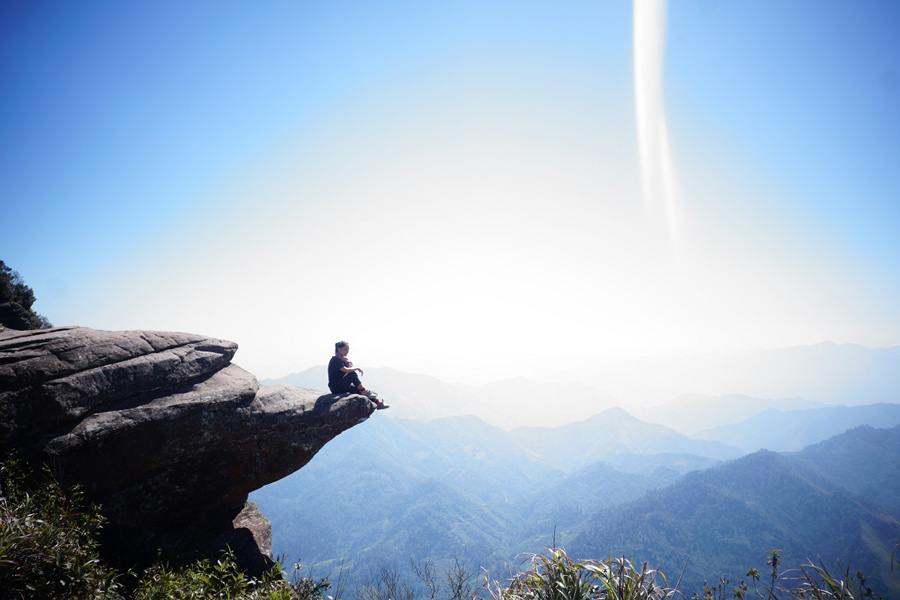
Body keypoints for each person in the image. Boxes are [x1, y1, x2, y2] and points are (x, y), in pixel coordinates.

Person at [328, 341, 388, 409]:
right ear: (339, 349)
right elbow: (346, 370)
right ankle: (364, 390)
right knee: (352, 374)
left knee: (357, 390)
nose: (347, 351)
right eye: (345, 349)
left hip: (341, 385)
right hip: (336, 387)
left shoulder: (342, 360)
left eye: (348, 349)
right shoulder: (335, 360)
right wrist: (357, 368)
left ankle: (378, 403)